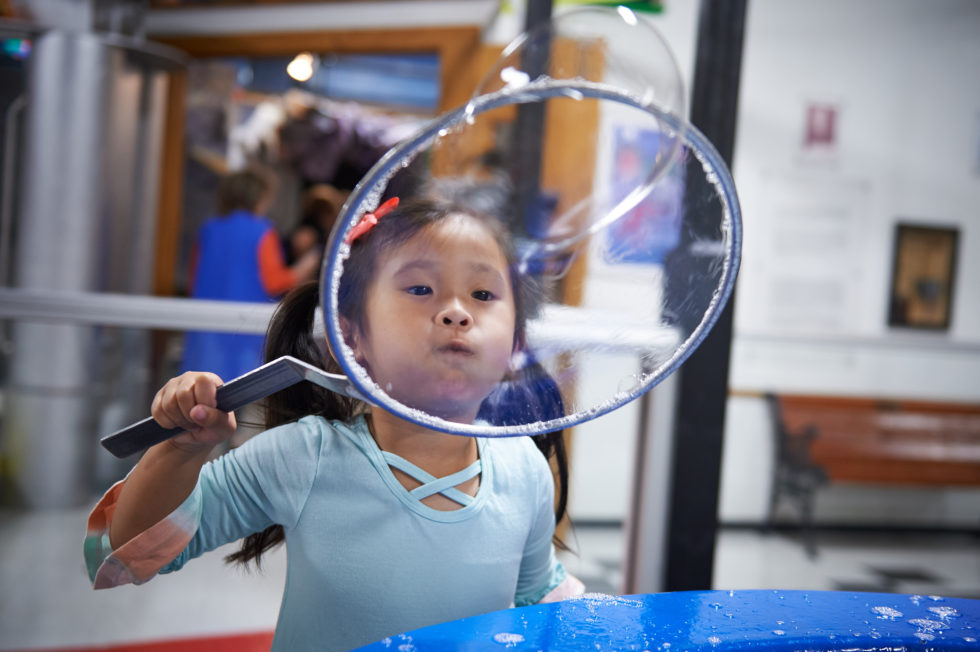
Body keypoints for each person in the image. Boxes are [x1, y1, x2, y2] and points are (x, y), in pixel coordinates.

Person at [85, 196, 584, 651]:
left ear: (516, 342)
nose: (456, 312)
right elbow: (128, 552)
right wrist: (181, 450)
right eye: (420, 287)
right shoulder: (302, 457)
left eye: (482, 293)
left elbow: (534, 604)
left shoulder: (525, 470)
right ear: (351, 336)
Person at [180, 168, 320, 383]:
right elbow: (274, 282)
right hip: (245, 330)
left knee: (202, 393)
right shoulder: (262, 231)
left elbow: (193, 281)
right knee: (240, 393)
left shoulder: (208, 229)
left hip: (207, 328)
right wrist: (305, 266)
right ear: (259, 197)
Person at [285, 183, 347, 265]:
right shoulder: (308, 232)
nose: (323, 216)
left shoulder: (338, 242)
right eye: (320, 210)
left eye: (328, 211)